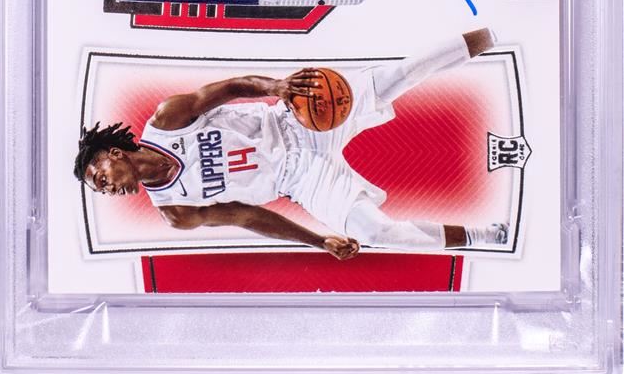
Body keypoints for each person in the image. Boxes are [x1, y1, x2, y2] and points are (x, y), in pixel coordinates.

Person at [74, 28, 508, 260]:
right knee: (374, 233)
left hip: (296, 121)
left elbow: (232, 88)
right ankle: (484, 236)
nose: (106, 188)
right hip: (300, 179)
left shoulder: (167, 120)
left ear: (114, 153)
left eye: (100, 176)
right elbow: (248, 216)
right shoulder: (175, 211)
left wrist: (277, 87)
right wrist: (319, 241)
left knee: (398, 75)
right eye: (100, 189)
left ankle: (496, 33)